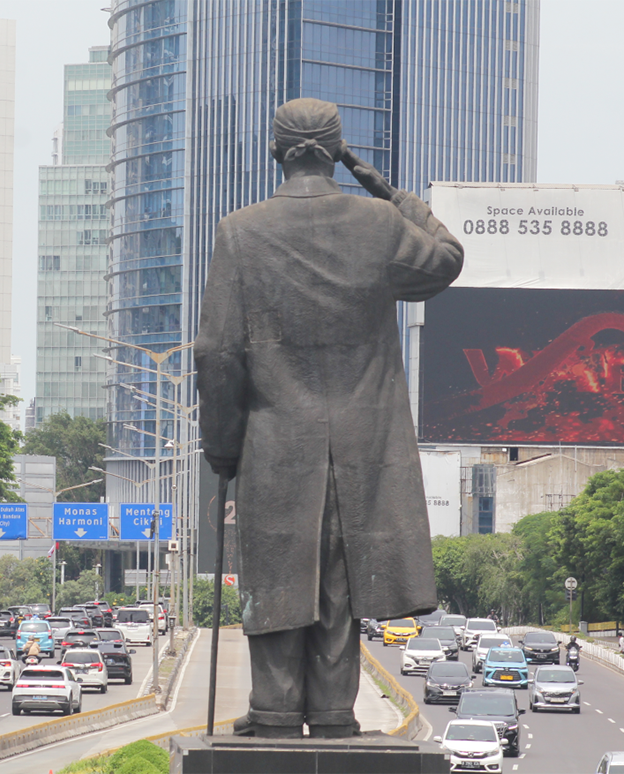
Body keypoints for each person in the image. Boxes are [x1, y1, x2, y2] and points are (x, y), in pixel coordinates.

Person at [194, 98, 463, 739]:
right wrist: (385, 187)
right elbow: (446, 257)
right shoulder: (376, 224)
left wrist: (224, 448)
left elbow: (216, 353)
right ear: (336, 150)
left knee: (277, 577)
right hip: (362, 442)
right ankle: (337, 714)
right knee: (340, 580)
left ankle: (276, 710)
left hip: (273, 439)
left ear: (274, 150)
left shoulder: (240, 231)